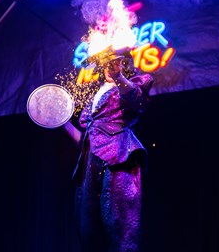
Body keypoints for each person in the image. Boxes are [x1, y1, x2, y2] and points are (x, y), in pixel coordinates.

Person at [64, 52, 153, 252]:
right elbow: (86, 139)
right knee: (87, 228)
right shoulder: (95, 97)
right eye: (107, 63)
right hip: (89, 162)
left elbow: (137, 100)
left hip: (118, 157)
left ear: (123, 65)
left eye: (114, 63)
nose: (108, 66)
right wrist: (61, 120)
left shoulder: (132, 85)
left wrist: (119, 77)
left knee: (120, 223)